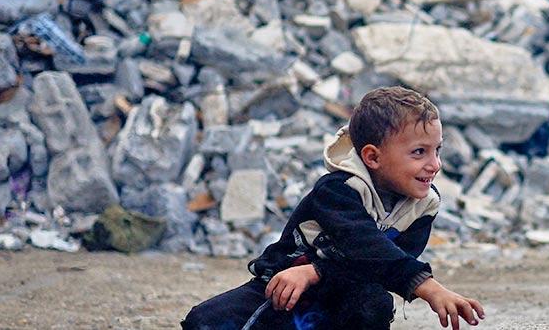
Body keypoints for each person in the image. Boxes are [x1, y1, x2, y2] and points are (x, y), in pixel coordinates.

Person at [182, 86, 485, 330]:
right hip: (285, 287)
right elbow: (364, 243)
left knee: (373, 303)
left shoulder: (423, 206)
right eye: (419, 152)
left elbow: (384, 266)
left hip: (342, 293)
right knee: (205, 322)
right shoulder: (337, 190)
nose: (434, 164)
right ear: (373, 157)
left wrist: (317, 272)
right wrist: (429, 288)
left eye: (437, 150)